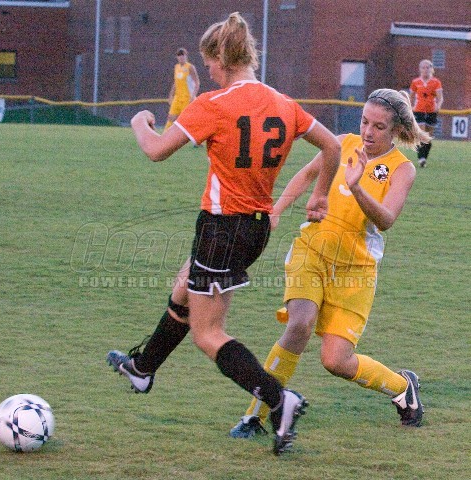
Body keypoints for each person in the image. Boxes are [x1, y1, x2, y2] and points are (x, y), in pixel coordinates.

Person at [106, 12, 341, 455]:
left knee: (208, 333)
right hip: (255, 228)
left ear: (223, 59)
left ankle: (279, 401)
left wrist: (139, 122)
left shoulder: (214, 104)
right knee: (184, 285)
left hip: (221, 228)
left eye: (209, 63)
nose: (208, 71)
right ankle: (142, 368)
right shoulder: (284, 103)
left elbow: (156, 150)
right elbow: (332, 145)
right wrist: (320, 196)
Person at [229, 88, 431, 439]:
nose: (367, 132)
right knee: (299, 324)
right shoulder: (340, 143)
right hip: (312, 251)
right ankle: (255, 416)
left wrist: (357, 187)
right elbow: (307, 174)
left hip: (356, 271)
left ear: (396, 130)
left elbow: (386, 220)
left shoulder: (403, 169)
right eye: (364, 122)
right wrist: (275, 211)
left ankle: (403, 388)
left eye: (379, 126)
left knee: (336, 361)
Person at [409, 59, 443, 167]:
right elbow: (411, 97)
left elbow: (440, 98)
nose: (425, 70)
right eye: (423, 67)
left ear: (431, 69)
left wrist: (438, 106)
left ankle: (424, 158)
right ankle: (421, 158)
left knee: (428, 137)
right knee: (421, 134)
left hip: (431, 111)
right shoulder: (415, 82)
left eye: (428, 67)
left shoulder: (436, 82)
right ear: (420, 69)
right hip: (419, 110)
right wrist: (410, 106)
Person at [163, 47, 200, 132]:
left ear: (186, 56)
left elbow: (197, 82)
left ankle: (194, 137)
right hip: (178, 97)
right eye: (179, 55)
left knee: (186, 120)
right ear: (177, 57)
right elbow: (176, 82)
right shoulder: (176, 67)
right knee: (171, 117)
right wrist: (171, 95)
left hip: (187, 97)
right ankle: (165, 135)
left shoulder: (190, 67)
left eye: (183, 55)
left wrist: (193, 96)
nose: (181, 57)